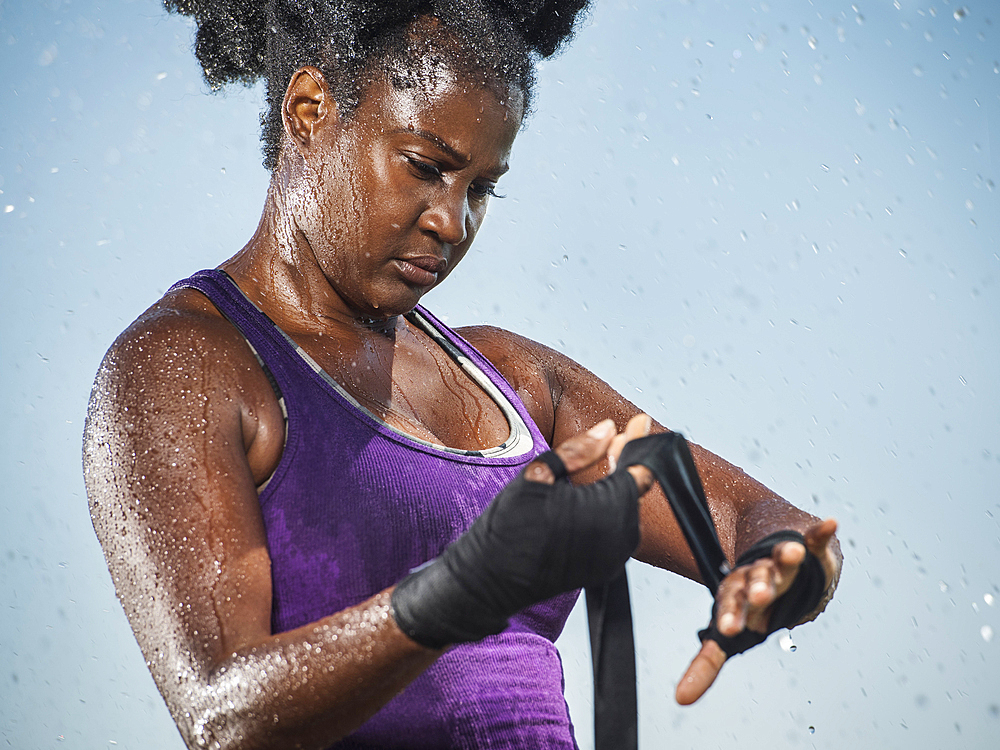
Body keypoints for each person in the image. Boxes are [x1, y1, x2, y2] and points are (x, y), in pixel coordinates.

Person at [82, 1, 842, 748]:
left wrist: (787, 565)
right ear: (310, 110)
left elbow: (753, 518)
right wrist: (465, 586)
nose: (453, 222)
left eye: (481, 188)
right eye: (426, 168)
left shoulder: (509, 377)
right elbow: (221, 716)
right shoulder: (186, 365)